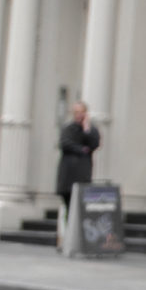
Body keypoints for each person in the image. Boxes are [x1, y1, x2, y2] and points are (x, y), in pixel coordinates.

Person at [55, 100, 100, 246]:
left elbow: (94, 143)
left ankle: (80, 240)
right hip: (68, 176)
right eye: (76, 112)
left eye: (82, 112)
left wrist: (87, 128)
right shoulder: (68, 128)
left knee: (82, 209)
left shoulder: (90, 130)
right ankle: (67, 239)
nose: (79, 115)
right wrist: (81, 149)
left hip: (83, 176)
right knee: (68, 208)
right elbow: (64, 143)